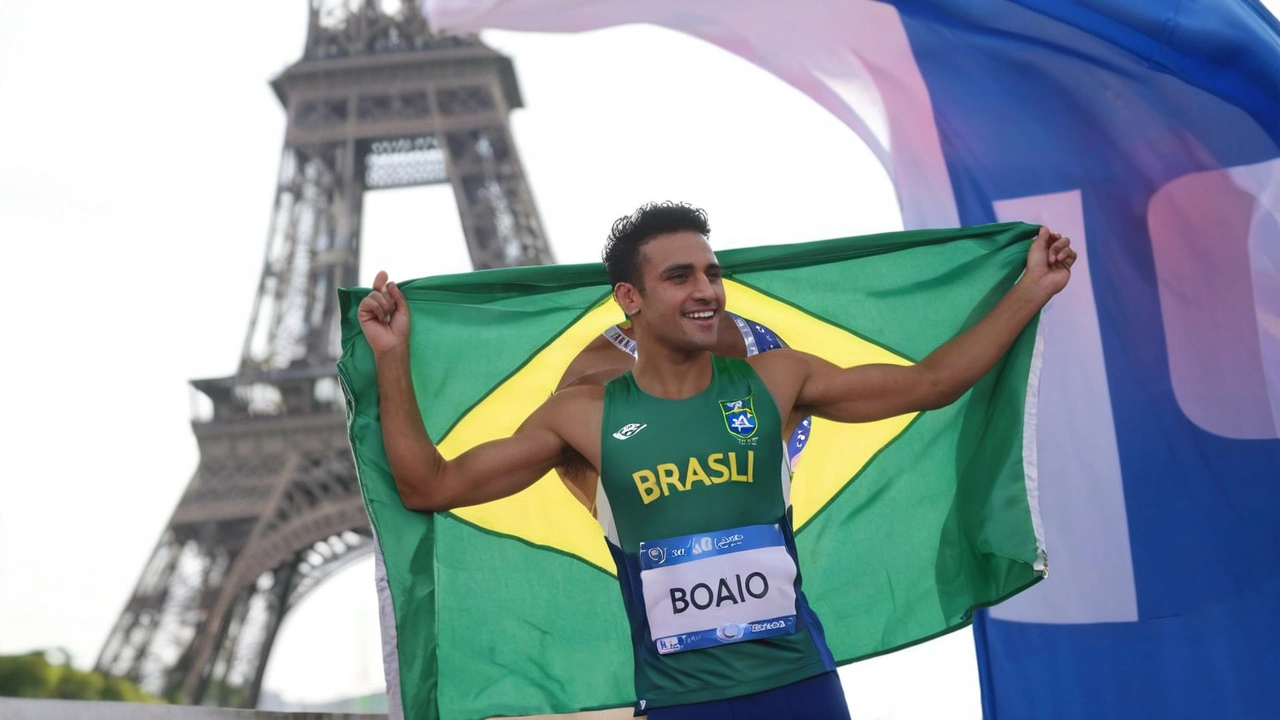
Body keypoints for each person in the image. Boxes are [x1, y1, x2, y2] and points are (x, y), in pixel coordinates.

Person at [358, 202, 1075, 720]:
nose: (705, 289)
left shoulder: (778, 381)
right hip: (680, 702)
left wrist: (1031, 290)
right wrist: (393, 360)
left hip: (801, 687)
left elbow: (932, 384)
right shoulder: (580, 415)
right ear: (629, 299)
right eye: (680, 276)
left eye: (712, 272)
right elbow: (429, 486)